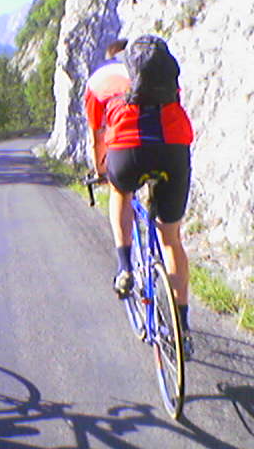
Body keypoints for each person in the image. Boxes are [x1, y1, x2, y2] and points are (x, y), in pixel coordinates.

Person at [84, 35, 195, 359]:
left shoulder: (100, 79)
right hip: (173, 148)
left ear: (110, 59)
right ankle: (182, 331)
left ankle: (124, 268)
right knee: (172, 239)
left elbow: (98, 137)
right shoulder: (159, 74)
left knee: (120, 191)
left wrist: (102, 172)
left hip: (126, 151)